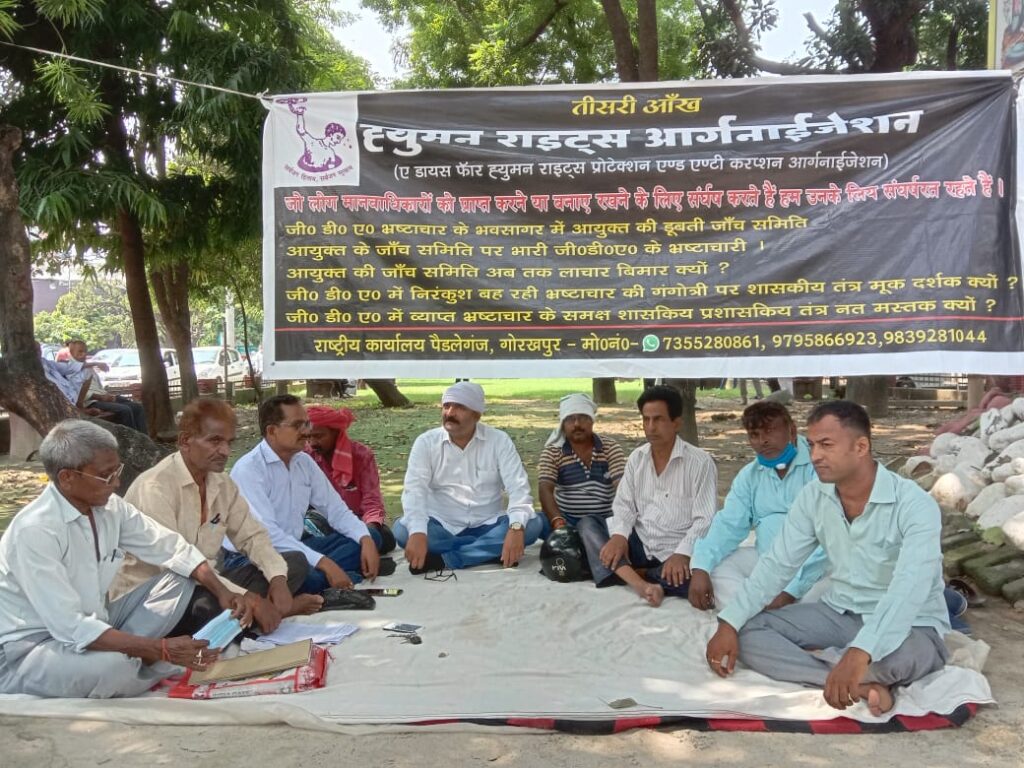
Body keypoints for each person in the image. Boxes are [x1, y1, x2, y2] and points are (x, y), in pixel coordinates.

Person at [705, 401, 950, 717]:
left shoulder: (915, 505)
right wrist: (730, 621)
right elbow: (778, 564)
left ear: (861, 447)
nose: (815, 455)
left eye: (826, 445)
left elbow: (909, 588)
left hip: (911, 623)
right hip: (840, 612)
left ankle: (843, 668)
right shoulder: (814, 496)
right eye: (811, 445)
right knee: (747, 633)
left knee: (912, 656)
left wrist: (862, 650)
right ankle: (854, 683)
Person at [0, 420, 251, 699]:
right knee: (112, 668)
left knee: (181, 580)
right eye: (105, 476)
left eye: (116, 471)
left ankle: (138, 659)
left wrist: (223, 591)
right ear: (67, 477)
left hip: (100, 621)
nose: (117, 483)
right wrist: (160, 649)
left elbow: (172, 548)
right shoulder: (35, 531)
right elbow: (70, 626)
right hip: (34, 647)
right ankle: (146, 664)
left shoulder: (110, 507)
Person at [110, 398, 322, 631]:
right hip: (158, 595)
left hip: (210, 581)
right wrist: (249, 598)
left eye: (229, 442)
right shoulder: (155, 487)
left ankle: (259, 615)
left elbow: (252, 536)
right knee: (208, 605)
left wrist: (278, 579)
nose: (225, 451)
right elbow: (176, 566)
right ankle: (269, 613)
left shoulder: (222, 484)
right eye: (215, 441)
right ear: (185, 441)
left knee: (293, 563)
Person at [228, 395, 379, 594]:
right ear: (272, 431)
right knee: (304, 574)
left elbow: (336, 510)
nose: (307, 431)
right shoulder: (249, 470)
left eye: (307, 423)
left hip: (298, 545)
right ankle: (333, 577)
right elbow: (267, 536)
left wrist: (365, 539)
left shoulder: (304, 462)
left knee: (373, 537)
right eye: (297, 425)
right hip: (254, 555)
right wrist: (324, 563)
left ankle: (329, 578)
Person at [689, 401, 827, 612]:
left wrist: (790, 592)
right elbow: (728, 524)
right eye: (755, 434)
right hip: (767, 559)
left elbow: (830, 538)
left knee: (827, 592)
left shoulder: (820, 467)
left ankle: (753, 613)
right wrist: (700, 568)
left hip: (814, 566)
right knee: (715, 568)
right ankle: (766, 613)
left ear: (792, 431)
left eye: (770, 431)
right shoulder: (750, 475)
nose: (763, 441)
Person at [396, 381, 544, 573]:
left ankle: (449, 558)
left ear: (477, 415)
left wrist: (515, 528)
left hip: (489, 523)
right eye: (446, 406)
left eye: (459, 407)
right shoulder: (426, 443)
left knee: (531, 525)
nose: (450, 413)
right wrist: (417, 532)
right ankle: (487, 551)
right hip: (442, 525)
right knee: (402, 531)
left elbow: (519, 490)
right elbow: (414, 491)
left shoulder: (499, 441)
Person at [596, 385, 718, 606]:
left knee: (705, 581)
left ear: (676, 423)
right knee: (590, 525)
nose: (651, 427)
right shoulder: (637, 458)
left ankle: (632, 573)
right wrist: (620, 536)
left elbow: (705, 519)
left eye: (659, 419)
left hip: (675, 554)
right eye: (646, 419)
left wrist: (683, 553)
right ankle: (642, 581)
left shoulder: (700, 463)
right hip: (640, 545)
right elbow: (624, 505)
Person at [537, 393, 627, 581]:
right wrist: (559, 524)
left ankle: (601, 567)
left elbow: (622, 488)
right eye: (570, 419)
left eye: (583, 418)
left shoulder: (610, 448)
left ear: (592, 421)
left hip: (601, 520)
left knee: (594, 525)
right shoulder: (553, 451)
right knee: (532, 522)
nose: (577, 424)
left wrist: (620, 524)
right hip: (565, 519)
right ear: (563, 424)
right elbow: (545, 489)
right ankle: (586, 550)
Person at [306, 405, 396, 554]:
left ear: (336, 433)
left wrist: (366, 534)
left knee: (384, 538)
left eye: (319, 436)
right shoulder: (305, 457)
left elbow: (372, 501)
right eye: (308, 437)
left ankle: (341, 551)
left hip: (357, 520)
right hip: (321, 522)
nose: (312, 443)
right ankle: (346, 552)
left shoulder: (362, 456)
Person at [66, 340, 148, 433]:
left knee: (138, 407)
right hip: (91, 402)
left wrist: (107, 395)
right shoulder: (69, 369)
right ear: (72, 353)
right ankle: (131, 439)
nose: (84, 354)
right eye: (80, 351)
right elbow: (78, 393)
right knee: (125, 410)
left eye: (85, 351)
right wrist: (100, 397)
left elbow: (99, 387)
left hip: (103, 397)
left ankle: (143, 437)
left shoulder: (88, 367)